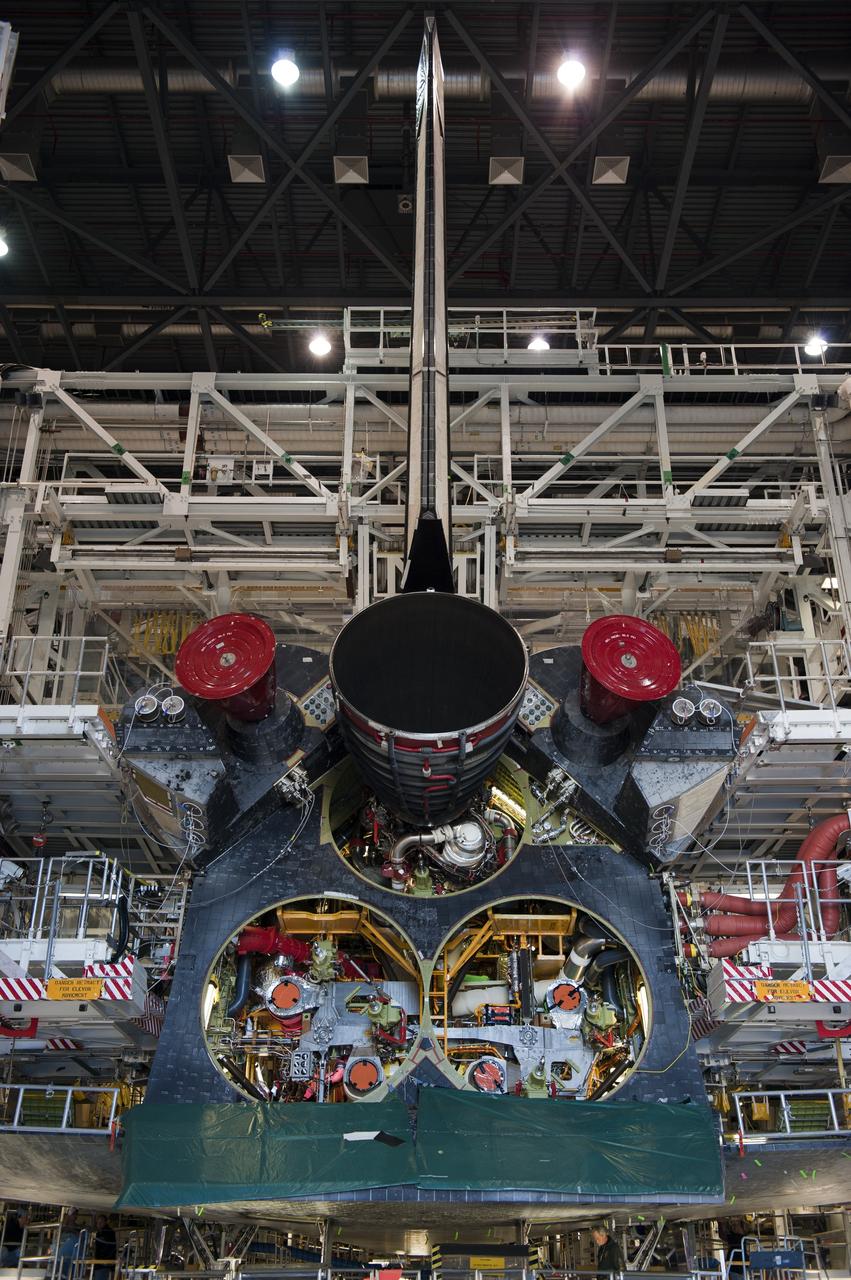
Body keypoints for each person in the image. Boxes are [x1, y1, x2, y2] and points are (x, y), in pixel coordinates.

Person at [56, 1209, 84, 1280]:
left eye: (75, 1215)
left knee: (70, 1274)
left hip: (72, 1255)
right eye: (73, 1214)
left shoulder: (78, 1228)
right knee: (60, 1273)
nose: (75, 1216)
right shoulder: (63, 1227)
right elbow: (63, 1228)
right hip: (62, 1255)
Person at [92, 1215, 116, 1280]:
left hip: (103, 1263)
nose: (99, 1224)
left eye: (101, 1222)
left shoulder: (107, 1233)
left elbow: (108, 1248)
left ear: (106, 1222)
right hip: (102, 1263)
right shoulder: (100, 1233)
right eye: (98, 1222)